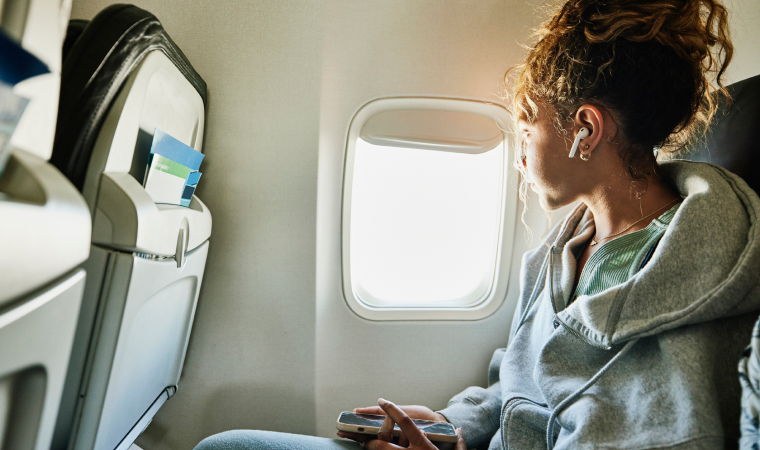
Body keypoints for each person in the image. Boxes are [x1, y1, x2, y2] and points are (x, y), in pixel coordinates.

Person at [195, 0, 760, 448]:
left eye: (528, 127)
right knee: (228, 445)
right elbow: (516, 386)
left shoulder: (687, 271)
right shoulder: (559, 254)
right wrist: (450, 424)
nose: (520, 153)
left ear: (585, 129)